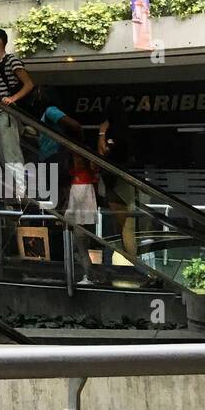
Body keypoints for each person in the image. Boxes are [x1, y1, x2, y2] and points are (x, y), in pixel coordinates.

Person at [0, 29, 34, 201]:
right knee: (4, 154)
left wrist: (12, 98)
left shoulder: (10, 60)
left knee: (11, 153)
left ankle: (21, 190)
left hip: (7, 113)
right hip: (0, 113)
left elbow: (28, 84)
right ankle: (15, 190)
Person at [97, 100, 139, 263]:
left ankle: (133, 263)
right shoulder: (126, 131)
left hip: (117, 183)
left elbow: (103, 153)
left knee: (123, 228)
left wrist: (101, 134)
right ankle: (133, 263)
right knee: (125, 227)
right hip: (123, 182)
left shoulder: (114, 133)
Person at [64, 150, 101, 286]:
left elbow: (73, 206)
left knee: (79, 250)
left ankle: (90, 275)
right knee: (80, 249)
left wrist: (66, 217)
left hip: (79, 221)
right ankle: (92, 274)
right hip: (87, 220)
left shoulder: (78, 182)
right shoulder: (90, 180)